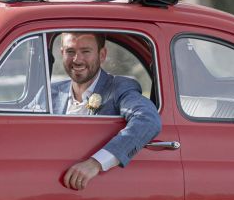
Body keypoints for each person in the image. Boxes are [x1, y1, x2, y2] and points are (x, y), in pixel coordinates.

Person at [53, 32, 161, 191]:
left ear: (102, 54)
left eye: (85, 51)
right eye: (70, 51)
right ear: (62, 53)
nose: (77, 59)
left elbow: (148, 120)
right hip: (52, 183)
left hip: (101, 189)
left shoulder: (119, 88)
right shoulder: (50, 91)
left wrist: (95, 163)